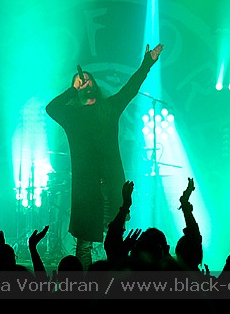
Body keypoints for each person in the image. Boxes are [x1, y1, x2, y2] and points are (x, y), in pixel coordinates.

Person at [45, 42, 164, 269]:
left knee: (115, 240)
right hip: (85, 189)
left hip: (111, 184)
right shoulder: (71, 116)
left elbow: (131, 88)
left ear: (95, 85)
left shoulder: (109, 108)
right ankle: (84, 286)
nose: (85, 82)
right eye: (81, 81)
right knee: (84, 245)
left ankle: (113, 283)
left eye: (88, 80)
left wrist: (147, 63)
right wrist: (72, 90)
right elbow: (51, 109)